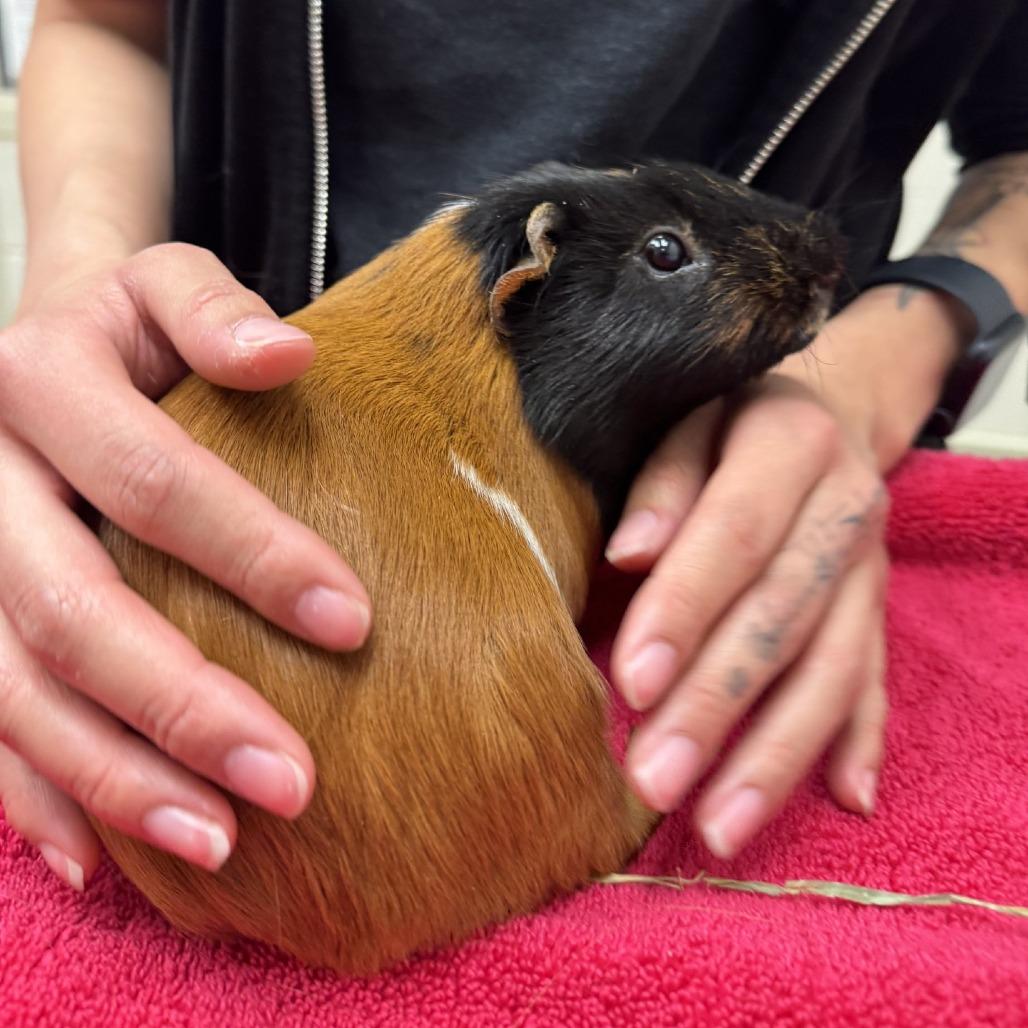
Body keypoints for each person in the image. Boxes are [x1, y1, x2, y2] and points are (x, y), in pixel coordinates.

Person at [2, 0, 1026, 891]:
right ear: (526, 289)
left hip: (736, 490)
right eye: (664, 253)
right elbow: (103, 22)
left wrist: (877, 373)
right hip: (190, 495)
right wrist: (78, 313)